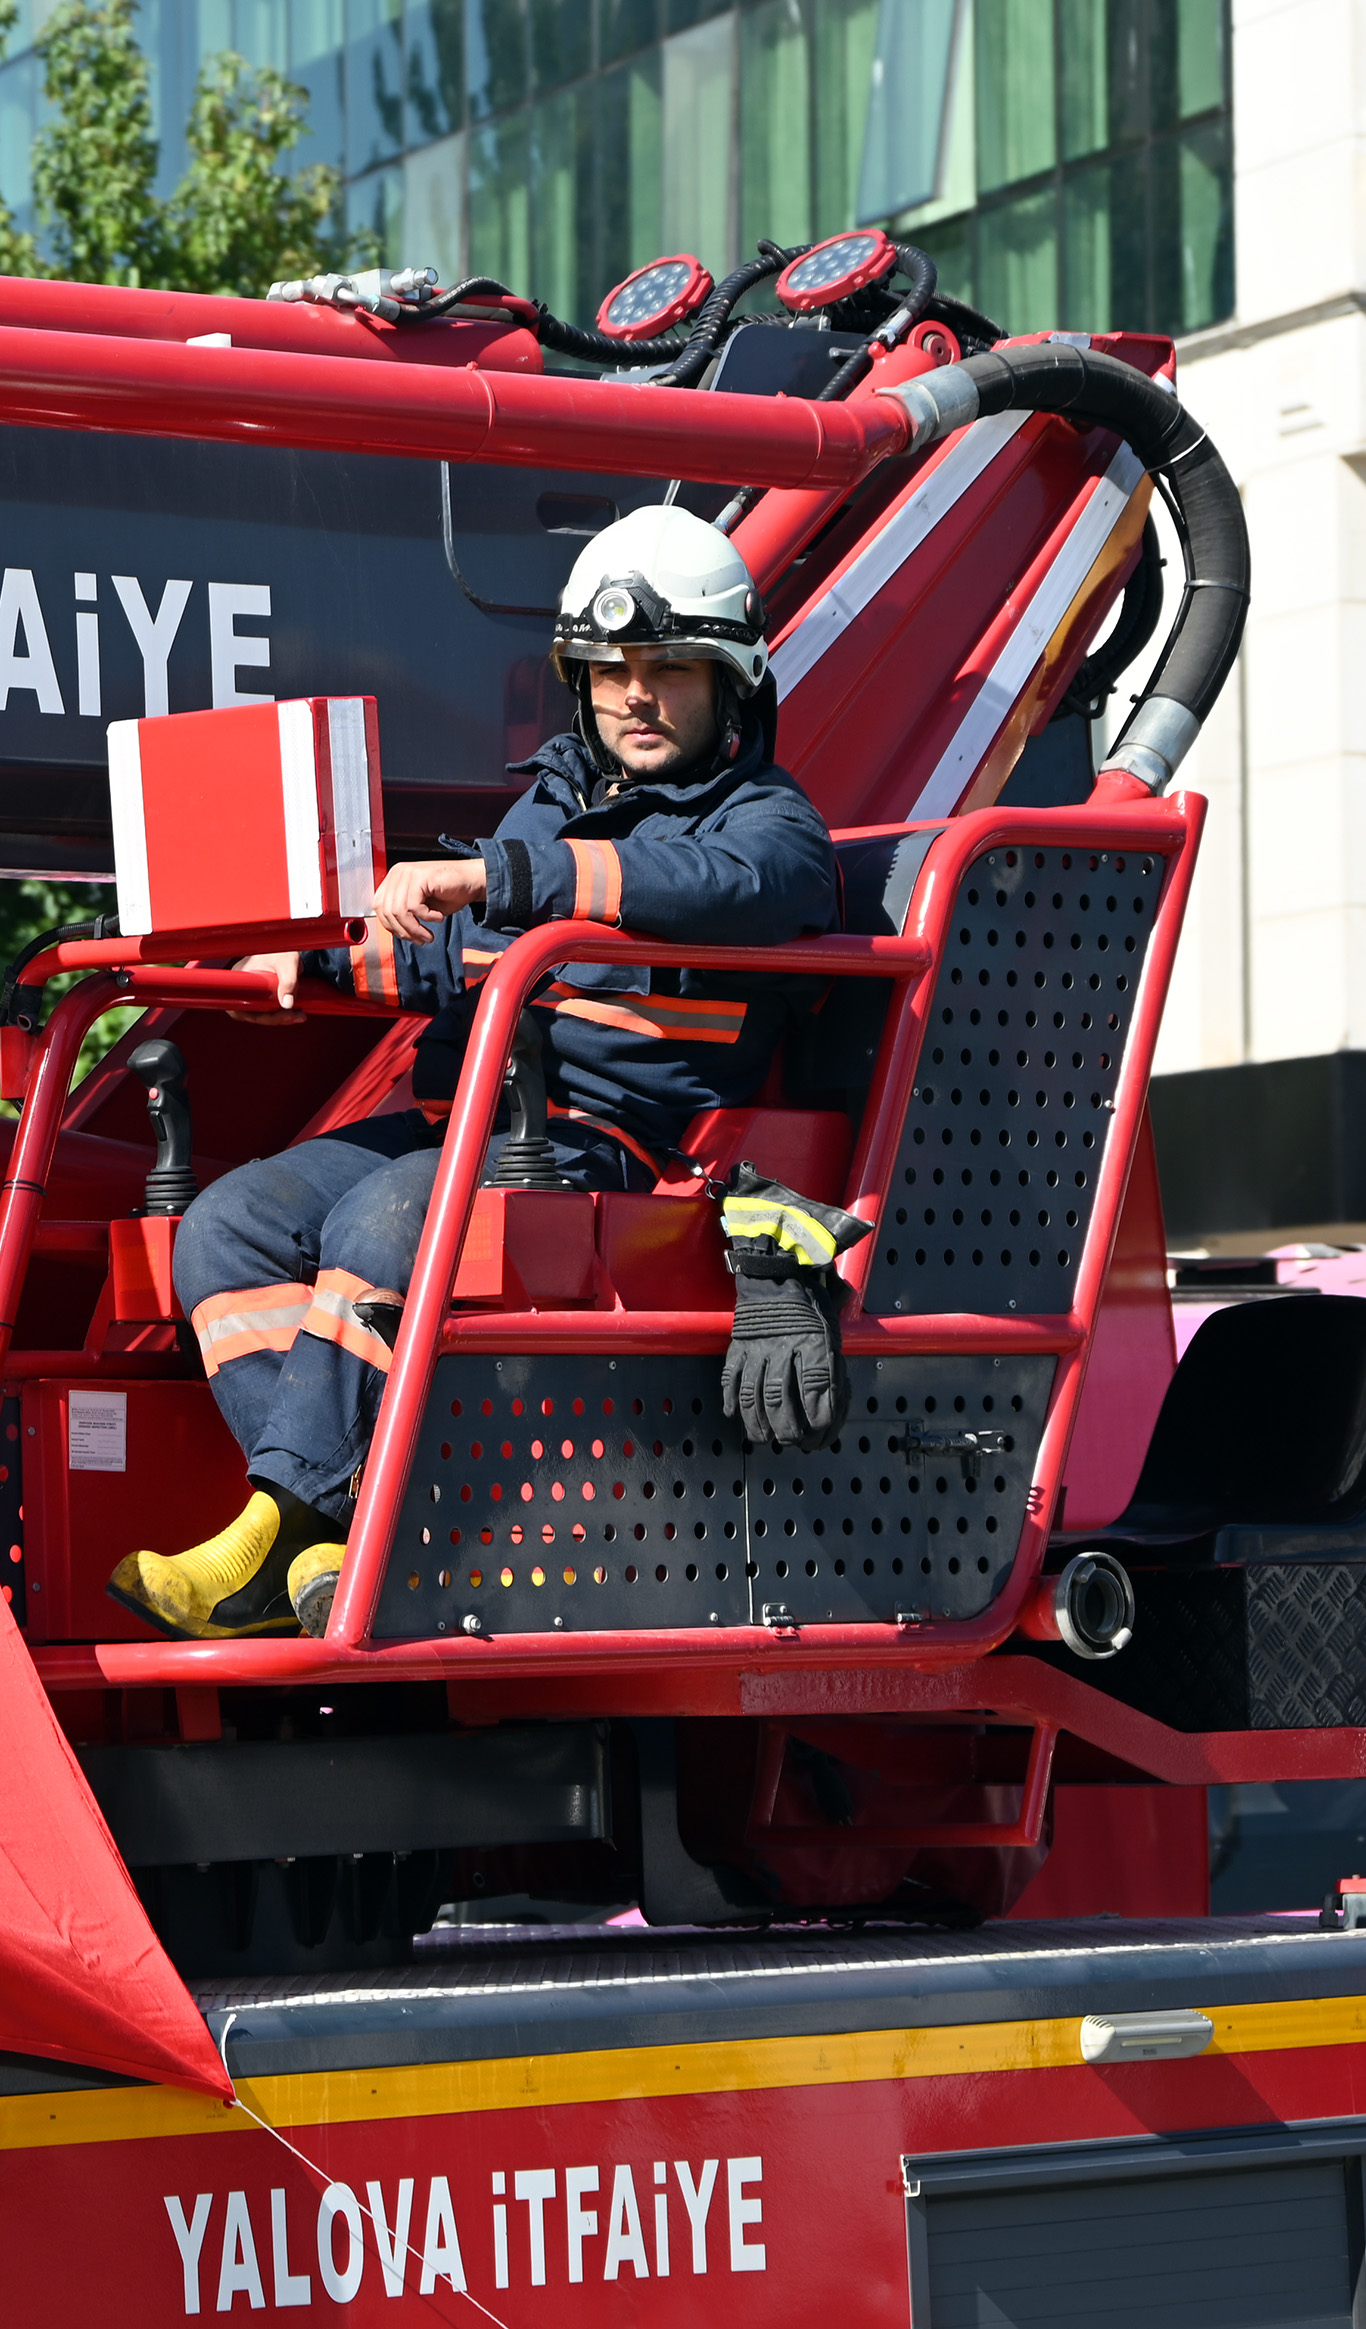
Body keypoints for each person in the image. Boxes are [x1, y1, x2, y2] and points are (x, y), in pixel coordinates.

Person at [107, 506, 842, 1643]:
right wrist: (305, 958)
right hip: (456, 1117)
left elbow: (711, 888)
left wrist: (504, 873)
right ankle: (330, 1527)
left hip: (599, 1142)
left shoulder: (768, 828)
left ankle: (280, 1535)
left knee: (385, 1220)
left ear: (731, 680)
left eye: (667, 670)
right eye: (610, 672)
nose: (636, 697)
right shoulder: (553, 801)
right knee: (228, 1223)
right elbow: (448, 951)